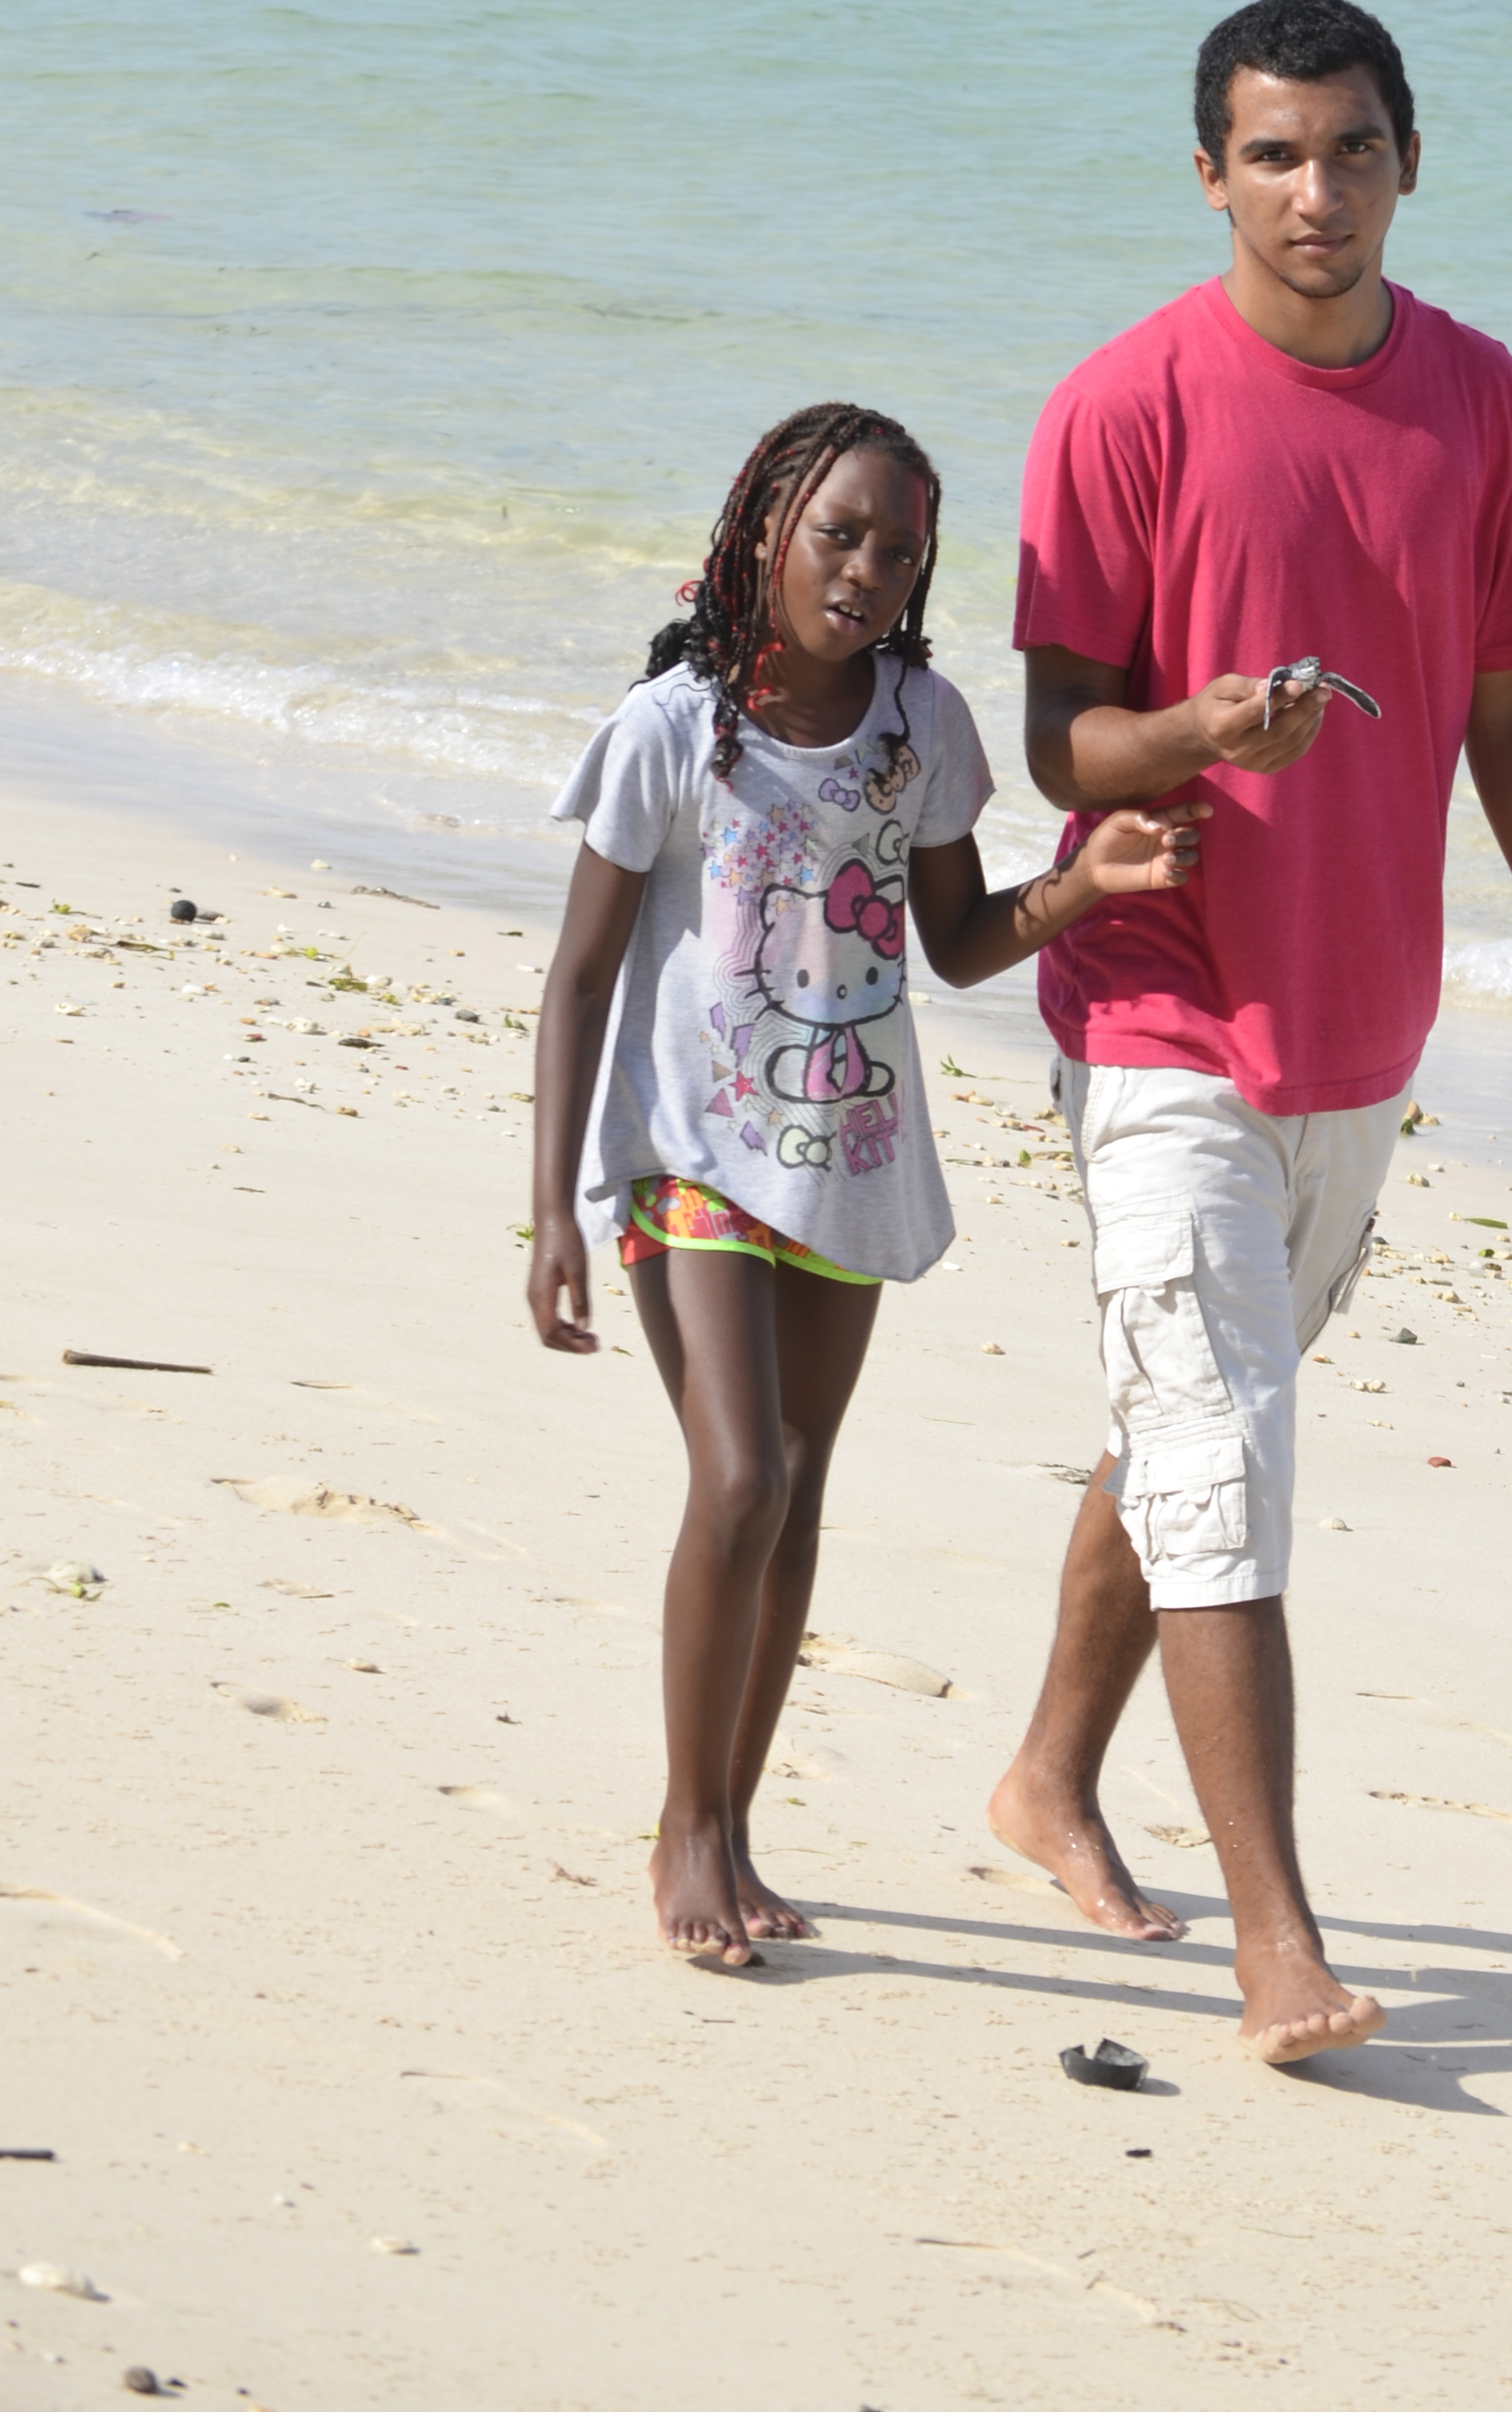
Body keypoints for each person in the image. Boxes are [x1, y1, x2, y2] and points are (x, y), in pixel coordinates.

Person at [986, 0, 1512, 2068]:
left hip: (1364, 1024)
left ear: (1409, 163)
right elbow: (1056, 737)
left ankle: (1045, 1775)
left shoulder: (1483, 401)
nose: (1317, 191)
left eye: (1353, 149)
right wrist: (1194, 732)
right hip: (1158, 1004)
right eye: (1273, 153)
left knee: (1195, 1420)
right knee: (1225, 1455)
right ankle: (1281, 1943)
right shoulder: (1124, 406)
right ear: (1210, 176)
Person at [527, 397, 1203, 1972]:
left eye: (900, 549)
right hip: (688, 1152)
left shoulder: (924, 723)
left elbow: (955, 941)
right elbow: (577, 977)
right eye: (838, 534)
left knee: (797, 1489)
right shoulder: (671, 729)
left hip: (846, 1154)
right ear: (764, 530)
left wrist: (1084, 881)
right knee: (739, 1479)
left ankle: (735, 1821)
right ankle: (685, 1830)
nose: (867, 570)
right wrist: (552, 1205)